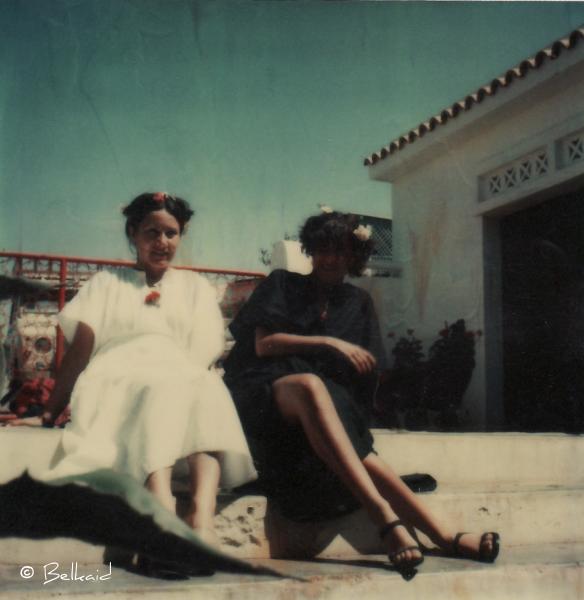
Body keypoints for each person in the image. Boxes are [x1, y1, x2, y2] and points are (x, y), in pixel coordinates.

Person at [223, 210, 499, 577]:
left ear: (354, 255)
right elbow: (263, 344)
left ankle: (444, 535)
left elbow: (364, 379)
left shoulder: (358, 302)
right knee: (311, 386)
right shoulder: (283, 283)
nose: (330, 258)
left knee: (352, 437)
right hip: (268, 397)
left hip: (323, 412)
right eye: (323, 249)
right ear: (310, 250)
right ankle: (384, 516)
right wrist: (327, 342)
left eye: (340, 250)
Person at [9, 192, 257, 546]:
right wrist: (49, 413)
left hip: (176, 370)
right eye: (151, 232)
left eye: (171, 233)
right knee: (159, 387)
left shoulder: (195, 287)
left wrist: (177, 372)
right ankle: (160, 511)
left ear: (181, 235)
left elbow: (204, 349)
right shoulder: (106, 283)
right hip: (115, 374)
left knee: (205, 386)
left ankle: (201, 518)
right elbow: (80, 352)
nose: (162, 242)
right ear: (133, 233)